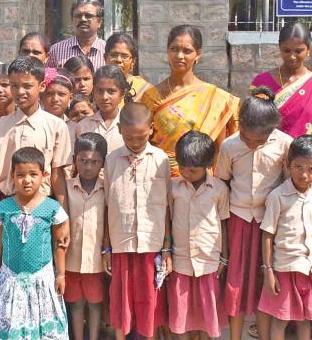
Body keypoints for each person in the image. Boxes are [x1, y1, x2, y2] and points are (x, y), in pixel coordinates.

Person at [215, 87, 292, 340]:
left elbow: (287, 183)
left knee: (264, 285)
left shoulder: (284, 144)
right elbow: (223, 182)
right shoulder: (229, 146)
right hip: (238, 221)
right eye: (247, 138)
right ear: (240, 126)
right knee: (235, 283)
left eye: (258, 141)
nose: (251, 144)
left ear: (270, 131)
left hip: (269, 225)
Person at [0, 57, 72, 250]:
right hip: (6, 208)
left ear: (41, 86)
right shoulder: (0, 127)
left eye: (27, 86)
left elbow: (58, 177)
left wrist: (63, 219)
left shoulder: (56, 126)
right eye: (14, 86)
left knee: (39, 266)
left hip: (43, 208)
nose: (19, 92)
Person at [102, 102, 171, 340]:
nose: (135, 142)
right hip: (121, 243)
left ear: (151, 129)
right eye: (129, 137)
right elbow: (107, 205)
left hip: (152, 244)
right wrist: (106, 247)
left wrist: (168, 246)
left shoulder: (161, 159)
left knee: (149, 300)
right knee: (122, 300)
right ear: (120, 130)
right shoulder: (111, 161)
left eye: (141, 137)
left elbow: (168, 208)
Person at [250, 22, 312, 196]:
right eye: (286, 50)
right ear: (279, 48)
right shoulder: (262, 83)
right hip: (271, 168)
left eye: (298, 51)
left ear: (309, 50)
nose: (292, 56)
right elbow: (253, 126)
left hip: (309, 170)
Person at [0, 147, 69, 339]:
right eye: (20, 175)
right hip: (11, 278)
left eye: (33, 174)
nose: (27, 180)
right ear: (12, 176)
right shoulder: (4, 208)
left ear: (44, 175)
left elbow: (59, 244)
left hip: (42, 278)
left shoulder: (52, 208)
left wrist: (61, 275)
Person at [258, 135, 312, 340]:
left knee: (305, 320)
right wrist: (268, 270)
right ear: (288, 165)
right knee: (280, 319)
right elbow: (267, 234)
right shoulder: (277, 196)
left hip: (310, 268)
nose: (304, 174)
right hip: (285, 268)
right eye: (298, 167)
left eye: (311, 169)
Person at [141, 25, 239, 176]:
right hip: (161, 175)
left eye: (187, 51)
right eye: (174, 49)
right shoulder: (151, 96)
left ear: (198, 54)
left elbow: (220, 150)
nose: (179, 56)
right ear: (167, 51)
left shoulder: (215, 98)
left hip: (202, 182)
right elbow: (142, 143)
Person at [168, 131, 229, 339]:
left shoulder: (219, 189)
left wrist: (224, 258)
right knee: (181, 312)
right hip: (181, 260)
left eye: (193, 170)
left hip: (208, 260)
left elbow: (223, 223)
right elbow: (168, 221)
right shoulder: (173, 187)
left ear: (208, 165)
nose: (186, 173)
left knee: (207, 312)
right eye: (182, 167)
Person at [65, 133, 108, 340]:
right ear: (74, 159)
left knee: (95, 303)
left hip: (96, 261)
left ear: (103, 163)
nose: (88, 167)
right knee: (75, 304)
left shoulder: (107, 189)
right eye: (83, 161)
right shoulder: (65, 188)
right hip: (70, 259)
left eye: (94, 162)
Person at [76, 65, 129, 154]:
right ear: (93, 92)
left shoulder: (130, 125)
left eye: (111, 91)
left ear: (122, 94)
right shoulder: (83, 126)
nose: (104, 97)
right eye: (99, 91)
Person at [48, 0, 106, 69]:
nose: (83, 19)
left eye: (88, 16)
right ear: (72, 20)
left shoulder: (107, 51)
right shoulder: (56, 50)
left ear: (99, 22)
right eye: (78, 16)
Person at [104, 33, 152, 102]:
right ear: (105, 58)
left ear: (133, 62)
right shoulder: (96, 86)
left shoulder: (144, 89)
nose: (118, 60)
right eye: (114, 55)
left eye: (124, 56)